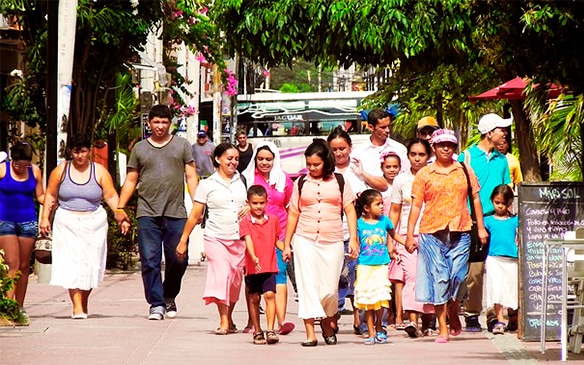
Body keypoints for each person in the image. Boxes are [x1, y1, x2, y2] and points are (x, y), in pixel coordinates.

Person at [116, 104, 198, 320]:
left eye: (164, 122)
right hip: (147, 213)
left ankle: (169, 294)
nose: (160, 126)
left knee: (179, 259)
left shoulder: (182, 146)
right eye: (156, 122)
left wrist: (198, 204)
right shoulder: (140, 149)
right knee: (150, 260)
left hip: (176, 212)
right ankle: (157, 304)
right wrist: (120, 207)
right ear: (149, 123)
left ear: (170, 123)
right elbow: (131, 179)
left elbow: (191, 176)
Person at [406, 129, 488, 344]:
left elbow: (476, 199)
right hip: (432, 232)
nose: (445, 148)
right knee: (440, 278)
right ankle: (443, 327)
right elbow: (416, 205)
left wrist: (480, 227)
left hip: (461, 230)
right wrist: (409, 234)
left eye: (450, 145)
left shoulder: (464, 169)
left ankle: (453, 309)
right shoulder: (425, 174)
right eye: (441, 145)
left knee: (459, 277)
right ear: (433, 147)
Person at [40, 134, 129, 319]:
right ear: (70, 152)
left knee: (90, 263)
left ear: (89, 151)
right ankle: (77, 306)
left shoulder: (99, 171)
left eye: (83, 151)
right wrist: (45, 219)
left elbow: (111, 196)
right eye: (76, 151)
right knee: (72, 263)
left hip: (94, 222)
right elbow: (50, 195)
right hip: (67, 221)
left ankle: (83, 301)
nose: (80, 156)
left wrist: (121, 215)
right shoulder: (61, 171)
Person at [282, 138, 358, 347]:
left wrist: (354, 238)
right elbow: (293, 213)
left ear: (326, 162)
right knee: (307, 286)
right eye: (309, 164)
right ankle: (310, 333)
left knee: (329, 289)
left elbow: (350, 210)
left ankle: (327, 321)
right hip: (304, 239)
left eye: (316, 164)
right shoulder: (301, 183)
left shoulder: (340, 181)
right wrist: (287, 243)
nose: (312, 168)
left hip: (332, 239)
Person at [176, 143, 249, 334]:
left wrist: (249, 207)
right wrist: (183, 240)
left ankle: (230, 318)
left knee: (234, 280)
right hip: (215, 237)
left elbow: (253, 202)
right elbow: (195, 214)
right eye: (229, 158)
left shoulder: (242, 180)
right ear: (218, 159)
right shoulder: (207, 185)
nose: (233, 162)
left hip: (239, 238)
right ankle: (224, 321)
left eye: (236, 159)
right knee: (222, 274)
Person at [457, 113, 512, 332]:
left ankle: (494, 315)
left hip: (498, 221)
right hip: (472, 222)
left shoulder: (503, 159)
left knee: (498, 269)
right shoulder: (467, 157)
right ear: (489, 133)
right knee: (475, 271)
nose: (505, 134)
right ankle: (471, 314)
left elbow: (507, 189)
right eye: (501, 129)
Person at [241, 141, 295, 336]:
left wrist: (288, 240)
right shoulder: (246, 178)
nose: (264, 163)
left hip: (277, 233)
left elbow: (290, 206)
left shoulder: (284, 180)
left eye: (269, 159)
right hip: (253, 235)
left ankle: (281, 321)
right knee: (254, 279)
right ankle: (252, 321)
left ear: (275, 160)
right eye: (261, 159)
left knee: (279, 275)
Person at [389, 138, 436, 338]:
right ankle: (412, 321)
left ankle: (428, 323)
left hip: (434, 235)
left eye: (421, 154)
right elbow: (394, 212)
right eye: (413, 154)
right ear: (408, 156)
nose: (417, 159)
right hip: (407, 238)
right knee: (413, 277)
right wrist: (391, 239)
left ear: (429, 156)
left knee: (430, 278)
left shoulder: (435, 177)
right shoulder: (401, 180)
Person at [327, 127, 367, 335]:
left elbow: (379, 190)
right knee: (337, 278)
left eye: (342, 148)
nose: (339, 153)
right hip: (332, 233)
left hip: (358, 232)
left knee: (358, 276)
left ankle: (359, 319)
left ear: (350, 148)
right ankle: (333, 317)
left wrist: (364, 176)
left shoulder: (358, 169)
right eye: (334, 149)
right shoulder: (325, 172)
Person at [353, 189, 403, 345]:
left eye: (382, 203)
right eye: (378, 204)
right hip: (365, 266)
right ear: (367, 207)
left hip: (381, 265)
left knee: (380, 298)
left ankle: (380, 326)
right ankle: (371, 331)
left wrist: (407, 243)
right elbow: (354, 241)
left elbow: (394, 235)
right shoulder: (359, 223)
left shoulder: (385, 221)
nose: (382, 206)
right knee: (368, 300)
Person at [0, 142, 45, 314]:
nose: (20, 168)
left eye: (24, 165)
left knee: (24, 266)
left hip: (28, 221)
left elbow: (40, 195)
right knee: (12, 263)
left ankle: (19, 306)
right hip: (5, 220)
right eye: (17, 164)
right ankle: (7, 305)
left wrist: (51, 201)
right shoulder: (3, 169)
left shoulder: (35, 171)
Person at [240, 185, 283, 345]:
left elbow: (276, 239)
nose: (258, 207)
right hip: (252, 267)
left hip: (269, 265)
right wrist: (253, 257)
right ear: (248, 203)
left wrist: (286, 249)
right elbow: (248, 240)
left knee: (270, 295)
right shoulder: (245, 222)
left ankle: (270, 330)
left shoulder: (273, 220)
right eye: (254, 203)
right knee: (254, 298)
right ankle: (257, 330)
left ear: (267, 202)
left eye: (261, 203)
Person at [484, 184, 518, 335]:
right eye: (497, 202)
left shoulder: (515, 220)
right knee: (496, 290)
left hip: (512, 259)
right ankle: (500, 321)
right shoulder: (488, 220)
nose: (500, 206)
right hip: (494, 259)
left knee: (512, 290)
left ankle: (514, 319)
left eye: (503, 203)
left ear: (509, 203)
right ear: (492, 201)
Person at [351, 109, 409, 192]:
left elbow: (406, 176)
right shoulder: (359, 152)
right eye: (383, 127)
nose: (388, 130)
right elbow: (356, 182)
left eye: (389, 126)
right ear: (371, 127)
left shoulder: (399, 149)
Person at [380, 152, 404, 329]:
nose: (392, 170)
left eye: (395, 166)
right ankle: (387, 315)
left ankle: (399, 316)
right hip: (380, 238)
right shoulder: (379, 188)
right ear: (382, 168)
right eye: (388, 167)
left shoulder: (403, 185)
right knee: (385, 278)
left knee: (399, 279)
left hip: (399, 236)